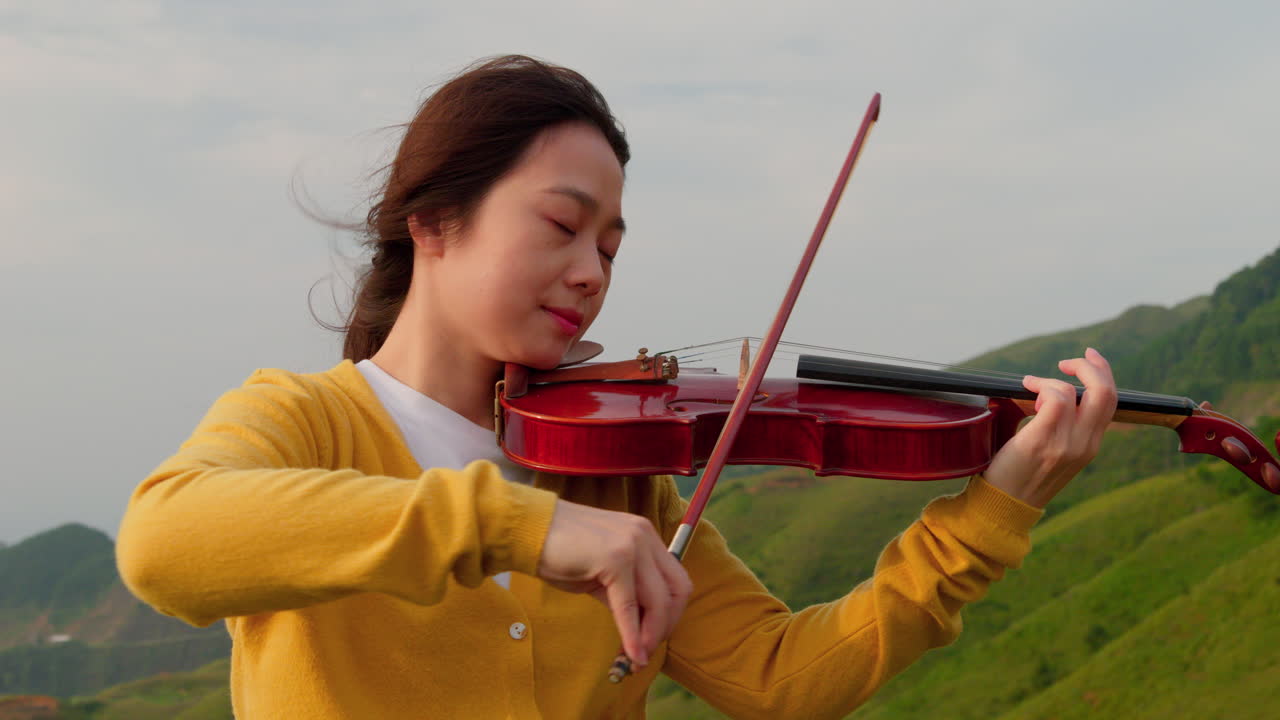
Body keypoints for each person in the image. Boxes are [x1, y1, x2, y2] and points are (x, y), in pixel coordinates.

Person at [116, 55, 1118, 719]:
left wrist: (987, 515)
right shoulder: (306, 419)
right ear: (431, 222)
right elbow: (165, 543)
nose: (593, 272)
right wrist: (524, 528)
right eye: (561, 226)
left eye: (609, 244)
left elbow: (780, 678)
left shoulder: (611, 474)